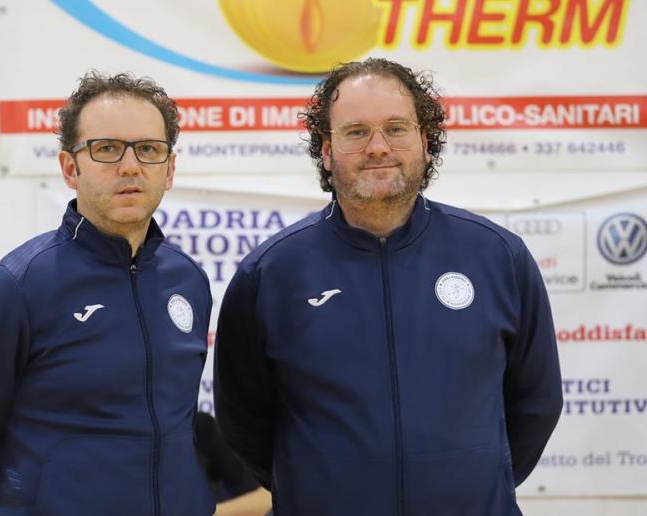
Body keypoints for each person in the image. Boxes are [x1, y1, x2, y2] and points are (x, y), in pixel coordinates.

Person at [214, 58, 563, 516]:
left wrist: (471, 481)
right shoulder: (270, 273)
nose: (378, 147)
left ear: (425, 142)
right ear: (326, 150)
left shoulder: (498, 256)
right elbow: (243, 420)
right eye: (356, 132)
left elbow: (536, 403)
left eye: (396, 129)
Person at [0, 72, 215, 516]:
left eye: (148, 150)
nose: (130, 166)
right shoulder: (14, 289)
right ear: (70, 168)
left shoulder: (188, 280)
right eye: (106, 149)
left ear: (169, 169)